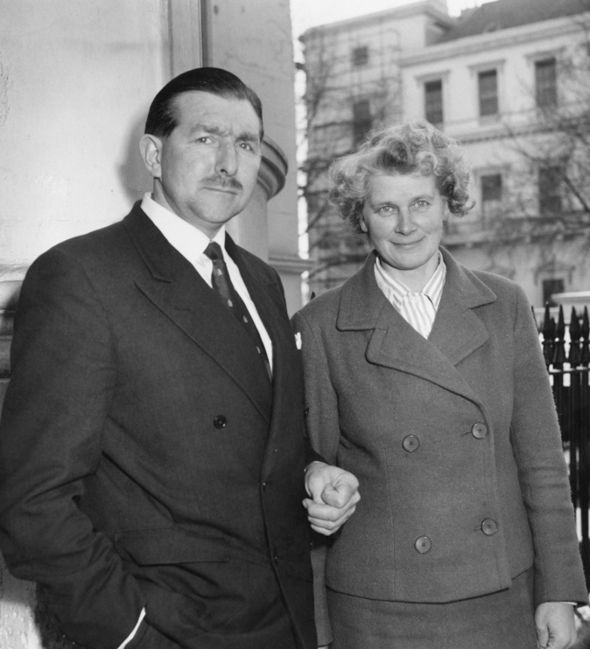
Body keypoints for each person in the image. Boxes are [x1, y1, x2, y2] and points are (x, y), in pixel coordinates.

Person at [0, 67, 358, 649]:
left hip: (282, 619)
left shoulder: (261, 280)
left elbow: (261, 439)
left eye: (246, 144)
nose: (228, 162)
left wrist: (313, 472)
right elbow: (33, 500)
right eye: (205, 137)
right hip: (166, 627)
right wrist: (129, 633)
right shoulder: (82, 276)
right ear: (153, 154)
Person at [293, 121, 588, 649]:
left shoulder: (504, 305)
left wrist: (559, 591)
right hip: (380, 607)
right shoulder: (321, 325)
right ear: (362, 216)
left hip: (498, 594)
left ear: (447, 204)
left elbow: (543, 462)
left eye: (421, 203)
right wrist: (317, 625)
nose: (406, 225)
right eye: (386, 208)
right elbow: (310, 469)